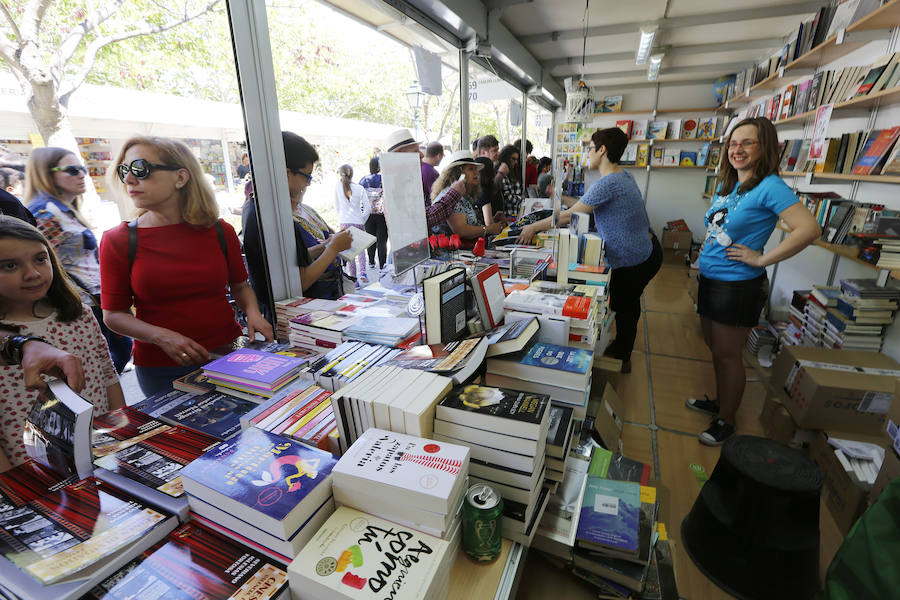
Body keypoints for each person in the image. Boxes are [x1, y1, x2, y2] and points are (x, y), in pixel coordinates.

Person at [100, 136, 273, 396]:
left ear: (180, 177)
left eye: (140, 169)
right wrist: (162, 337)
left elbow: (240, 285)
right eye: (125, 171)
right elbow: (113, 315)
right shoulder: (118, 240)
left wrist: (253, 313)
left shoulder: (220, 231)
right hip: (161, 366)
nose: (129, 180)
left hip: (227, 353)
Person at [685, 116, 820, 446]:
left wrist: (760, 258)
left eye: (747, 143)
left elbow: (809, 229)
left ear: (765, 148)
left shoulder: (770, 186)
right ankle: (720, 403)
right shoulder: (729, 185)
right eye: (733, 143)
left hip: (738, 285)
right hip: (711, 278)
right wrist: (705, 252)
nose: (737, 149)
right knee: (715, 348)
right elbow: (720, 228)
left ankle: (726, 421)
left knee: (729, 355)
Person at [517, 127, 663, 376]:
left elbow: (568, 217)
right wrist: (559, 196)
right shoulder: (621, 176)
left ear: (602, 150)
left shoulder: (609, 182)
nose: (588, 154)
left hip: (635, 258)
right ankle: (621, 350)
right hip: (646, 251)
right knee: (627, 303)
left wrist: (532, 227)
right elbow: (585, 205)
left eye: (590, 149)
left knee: (624, 304)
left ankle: (621, 358)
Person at [0, 216, 124, 471]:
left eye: (40, 259)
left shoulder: (78, 313)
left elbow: (108, 375)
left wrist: (124, 433)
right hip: (30, 466)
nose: (32, 273)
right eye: (10, 265)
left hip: (100, 445)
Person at [26, 146, 133, 373]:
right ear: (47, 174)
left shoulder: (63, 208)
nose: (82, 174)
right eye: (72, 170)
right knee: (100, 366)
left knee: (113, 359)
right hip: (80, 304)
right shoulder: (45, 212)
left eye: (82, 169)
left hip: (92, 300)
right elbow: (41, 263)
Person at [243, 131, 352, 309]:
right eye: (307, 176)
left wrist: (322, 247)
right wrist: (333, 249)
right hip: (297, 316)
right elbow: (299, 281)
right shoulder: (273, 219)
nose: (308, 183)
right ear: (286, 174)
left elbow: (286, 259)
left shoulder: (260, 207)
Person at [382, 128, 462, 230]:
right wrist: (453, 193)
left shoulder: (402, 181)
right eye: (415, 151)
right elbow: (424, 220)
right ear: (399, 154)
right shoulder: (397, 185)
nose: (422, 154)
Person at [430, 151, 504, 246]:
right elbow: (461, 231)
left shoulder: (463, 195)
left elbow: (469, 224)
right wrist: (489, 229)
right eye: (471, 169)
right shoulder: (452, 195)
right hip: (452, 254)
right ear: (458, 174)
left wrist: (493, 221)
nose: (476, 172)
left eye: (476, 169)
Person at [334, 164, 371, 283]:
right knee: (360, 249)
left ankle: (354, 280)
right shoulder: (360, 188)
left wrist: (342, 217)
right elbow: (368, 208)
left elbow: (337, 206)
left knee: (350, 253)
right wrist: (362, 220)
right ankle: (363, 272)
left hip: (345, 222)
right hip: (358, 221)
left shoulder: (337, 187)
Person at [359, 156, 387, 270]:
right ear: (380, 167)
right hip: (382, 214)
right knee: (382, 239)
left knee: (370, 238)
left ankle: (371, 262)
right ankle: (382, 264)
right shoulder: (383, 179)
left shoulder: (363, 180)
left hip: (368, 214)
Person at [495, 144, 523, 219]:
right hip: (507, 215)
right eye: (513, 159)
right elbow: (507, 197)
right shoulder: (502, 174)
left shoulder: (513, 172)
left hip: (515, 214)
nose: (515, 162)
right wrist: (521, 199)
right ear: (506, 157)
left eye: (517, 159)